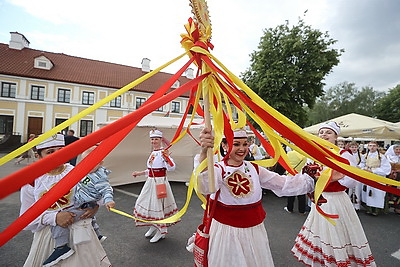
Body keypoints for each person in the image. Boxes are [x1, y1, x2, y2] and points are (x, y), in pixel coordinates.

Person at [197, 127, 317, 266]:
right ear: (224, 145)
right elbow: (205, 186)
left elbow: (282, 183)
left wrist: (312, 179)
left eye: (245, 144)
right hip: (227, 232)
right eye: (236, 144)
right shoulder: (218, 169)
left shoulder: (254, 168)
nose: (242, 148)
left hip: (253, 231)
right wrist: (204, 152)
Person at [292, 121, 376, 266]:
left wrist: (336, 177)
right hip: (319, 200)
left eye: (328, 132)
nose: (324, 135)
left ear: (336, 136)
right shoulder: (314, 154)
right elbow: (306, 175)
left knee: (336, 234)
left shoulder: (344, 154)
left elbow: (352, 180)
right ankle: (324, 260)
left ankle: (338, 260)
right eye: (321, 132)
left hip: (335, 200)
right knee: (321, 234)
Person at [20, 133, 111, 267]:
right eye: (50, 152)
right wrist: (54, 218)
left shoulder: (76, 172)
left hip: (81, 233)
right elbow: (26, 220)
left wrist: (94, 205)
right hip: (50, 237)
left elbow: (94, 192)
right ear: (38, 156)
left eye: (61, 151)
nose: (57, 155)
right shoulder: (31, 182)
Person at [43, 145, 115, 266]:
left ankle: (61, 247)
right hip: (81, 203)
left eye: (92, 162)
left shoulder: (99, 176)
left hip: (81, 205)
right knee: (86, 217)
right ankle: (98, 235)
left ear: (100, 163)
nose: (87, 165)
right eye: (84, 162)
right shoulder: (82, 171)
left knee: (60, 223)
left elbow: (106, 189)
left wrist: (107, 201)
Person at [131, 129, 180, 243]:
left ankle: (161, 231)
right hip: (151, 182)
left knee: (158, 206)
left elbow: (172, 168)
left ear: (161, 140)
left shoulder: (163, 152)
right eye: (152, 139)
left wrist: (167, 157)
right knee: (146, 203)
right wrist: (139, 173)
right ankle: (154, 225)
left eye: (156, 139)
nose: (154, 141)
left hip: (159, 183)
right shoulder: (153, 153)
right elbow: (152, 170)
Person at [360, 141, 391, 216]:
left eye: (374, 146)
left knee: (377, 192)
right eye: (370, 146)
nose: (372, 147)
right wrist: (362, 168)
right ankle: (368, 209)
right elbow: (362, 163)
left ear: (377, 147)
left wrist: (373, 171)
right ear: (368, 147)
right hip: (367, 175)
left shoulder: (381, 156)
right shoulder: (365, 155)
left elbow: (386, 168)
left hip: (377, 176)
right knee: (368, 192)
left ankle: (376, 210)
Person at [284, 150, 308, 215]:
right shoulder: (304, 155)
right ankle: (302, 211)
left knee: (291, 192)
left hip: (290, 175)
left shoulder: (289, 153)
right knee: (301, 194)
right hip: (300, 176)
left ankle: (290, 208)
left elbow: (285, 162)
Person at [384, 144, 400, 214]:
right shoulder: (386, 157)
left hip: (399, 176)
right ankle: (386, 207)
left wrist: (397, 171)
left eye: (399, 150)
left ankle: (397, 207)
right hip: (388, 175)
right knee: (387, 191)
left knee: (397, 192)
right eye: (396, 149)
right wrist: (391, 171)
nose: (398, 151)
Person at [347, 141, 363, 210]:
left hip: (357, 173)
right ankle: (350, 205)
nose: (354, 149)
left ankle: (357, 205)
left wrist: (358, 167)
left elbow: (363, 163)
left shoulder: (361, 155)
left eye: (355, 147)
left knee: (357, 189)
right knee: (350, 189)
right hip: (350, 173)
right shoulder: (347, 155)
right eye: (352, 147)